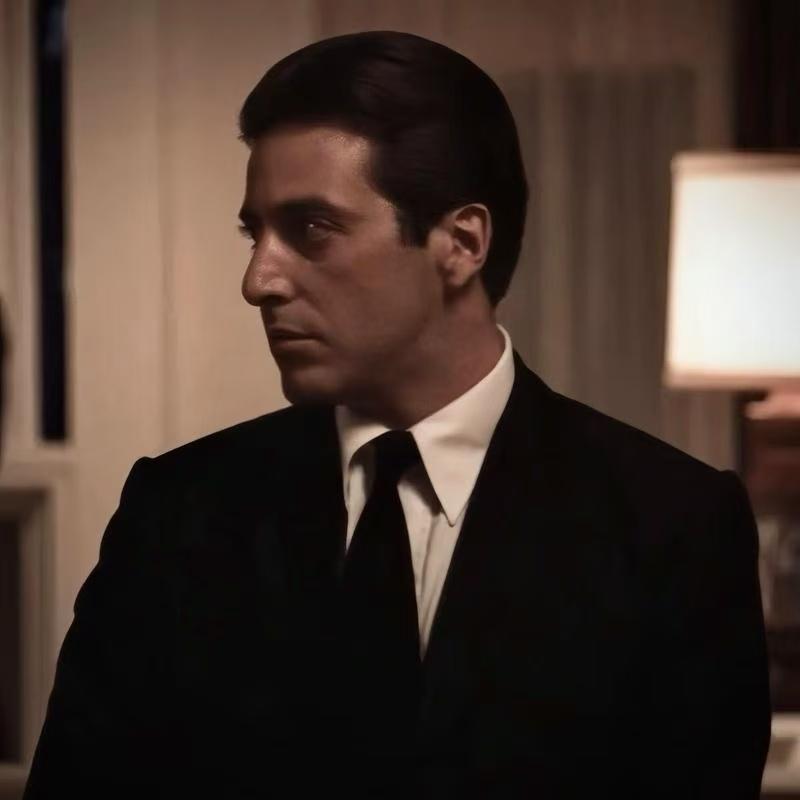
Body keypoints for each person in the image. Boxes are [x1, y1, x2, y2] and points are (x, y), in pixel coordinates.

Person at [23, 31, 770, 799]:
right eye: (256, 233)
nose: (257, 281)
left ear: (462, 243)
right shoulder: (176, 513)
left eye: (311, 229)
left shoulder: (670, 526)